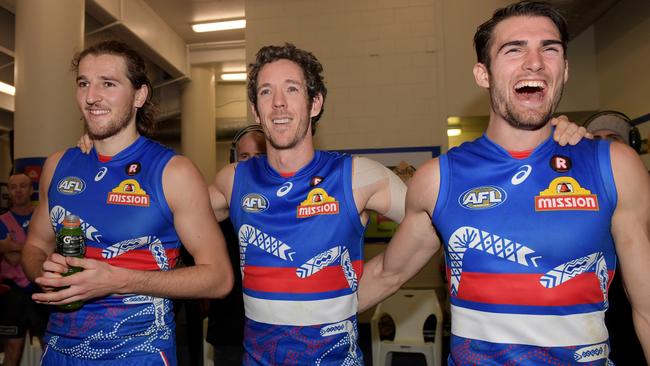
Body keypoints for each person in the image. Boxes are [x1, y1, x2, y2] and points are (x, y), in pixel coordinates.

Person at [207, 43, 586, 365]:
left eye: (291, 89)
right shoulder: (233, 181)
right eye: (266, 93)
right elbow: (165, 215)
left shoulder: (357, 177)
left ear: (315, 102)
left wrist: (542, 143)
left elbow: (448, 222)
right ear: (255, 111)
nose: (278, 104)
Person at [358, 1, 650, 365]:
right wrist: (289, 314)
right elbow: (387, 273)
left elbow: (647, 309)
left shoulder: (615, 166)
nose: (535, 62)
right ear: (484, 74)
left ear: (565, 69)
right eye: (515, 49)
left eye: (550, 48)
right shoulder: (438, 179)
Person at [21, 40, 233, 365]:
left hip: (140, 351)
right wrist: (45, 275)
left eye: (108, 83)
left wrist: (120, 280)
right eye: (83, 83)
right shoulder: (58, 165)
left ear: (139, 96)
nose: (91, 97)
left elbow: (218, 278)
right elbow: (35, 244)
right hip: (60, 349)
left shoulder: (173, 172)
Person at [584, 110, 646, 364]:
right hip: (599, 320)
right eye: (597, 138)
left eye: (613, 137)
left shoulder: (641, 191)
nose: (605, 144)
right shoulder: (582, 194)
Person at [207, 124, 266, 366]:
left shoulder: (287, 202)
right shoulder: (220, 204)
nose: (252, 163)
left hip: (275, 331)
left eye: (259, 156)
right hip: (231, 331)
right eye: (245, 157)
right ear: (233, 161)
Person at [0, 173, 48, 366]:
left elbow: (50, 250)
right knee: (13, 349)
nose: (18, 190)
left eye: (23, 186)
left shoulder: (42, 216)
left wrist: (14, 246)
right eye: (13, 187)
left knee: (49, 345)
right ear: (9, 192)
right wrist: (36, 249)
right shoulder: (2, 220)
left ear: (31, 190)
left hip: (42, 289)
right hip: (14, 294)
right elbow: (11, 259)